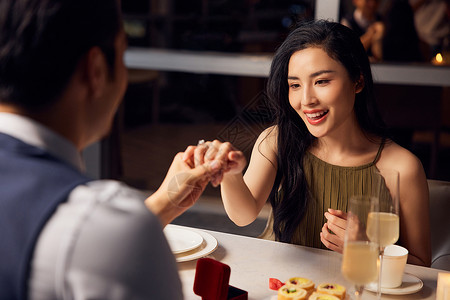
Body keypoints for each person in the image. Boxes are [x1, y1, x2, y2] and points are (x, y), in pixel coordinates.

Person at [0, 1, 223, 299]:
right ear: (96, 70)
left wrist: (164, 203)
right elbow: (92, 239)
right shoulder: (102, 228)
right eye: (123, 56)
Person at [185, 20, 431, 267]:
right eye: (295, 85)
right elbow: (242, 216)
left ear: (357, 81)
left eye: (321, 81)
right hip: (278, 285)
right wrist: (231, 173)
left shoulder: (402, 167)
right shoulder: (277, 140)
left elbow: (422, 266)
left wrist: (368, 250)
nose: (306, 100)